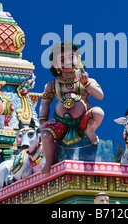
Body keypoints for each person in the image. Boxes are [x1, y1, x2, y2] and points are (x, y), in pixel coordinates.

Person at [39, 42, 104, 173]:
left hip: (83, 121)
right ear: (55, 64)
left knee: (98, 112)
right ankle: (49, 161)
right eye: (62, 59)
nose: (67, 62)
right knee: (45, 135)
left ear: (78, 59)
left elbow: (100, 96)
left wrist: (86, 85)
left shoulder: (87, 80)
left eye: (71, 57)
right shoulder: (51, 85)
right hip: (61, 123)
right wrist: (43, 122)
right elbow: (45, 103)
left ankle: (89, 132)